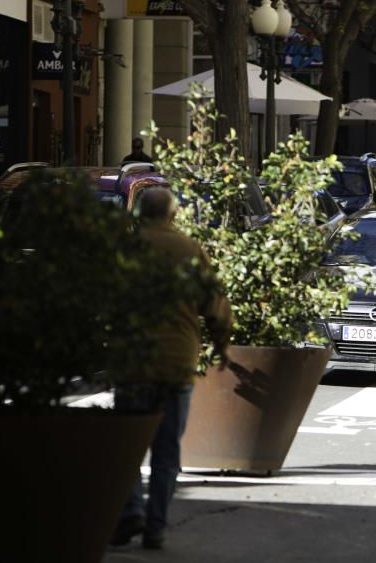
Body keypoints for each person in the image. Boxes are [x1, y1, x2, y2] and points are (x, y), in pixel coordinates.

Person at [111, 187, 232, 550]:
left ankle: (131, 509)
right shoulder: (190, 251)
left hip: (133, 361)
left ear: (140, 215)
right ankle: (156, 527)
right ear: (172, 215)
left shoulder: (125, 249)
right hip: (176, 361)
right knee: (167, 453)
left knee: (127, 447)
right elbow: (215, 305)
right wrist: (222, 344)